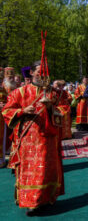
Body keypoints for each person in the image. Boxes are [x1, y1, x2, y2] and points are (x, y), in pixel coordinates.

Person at [2, 60, 66, 215]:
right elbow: (7, 110)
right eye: (39, 70)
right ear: (31, 72)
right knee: (30, 170)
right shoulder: (20, 92)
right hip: (28, 138)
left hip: (48, 137)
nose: (43, 73)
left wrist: (51, 107)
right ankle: (31, 202)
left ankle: (46, 198)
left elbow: (64, 109)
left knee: (46, 167)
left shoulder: (53, 93)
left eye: (45, 70)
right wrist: (23, 111)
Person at [0, 68, 7, 168]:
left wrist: (4, 105)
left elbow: (7, 101)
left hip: (1, 117)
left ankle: (1, 158)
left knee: (1, 137)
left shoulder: (3, 90)